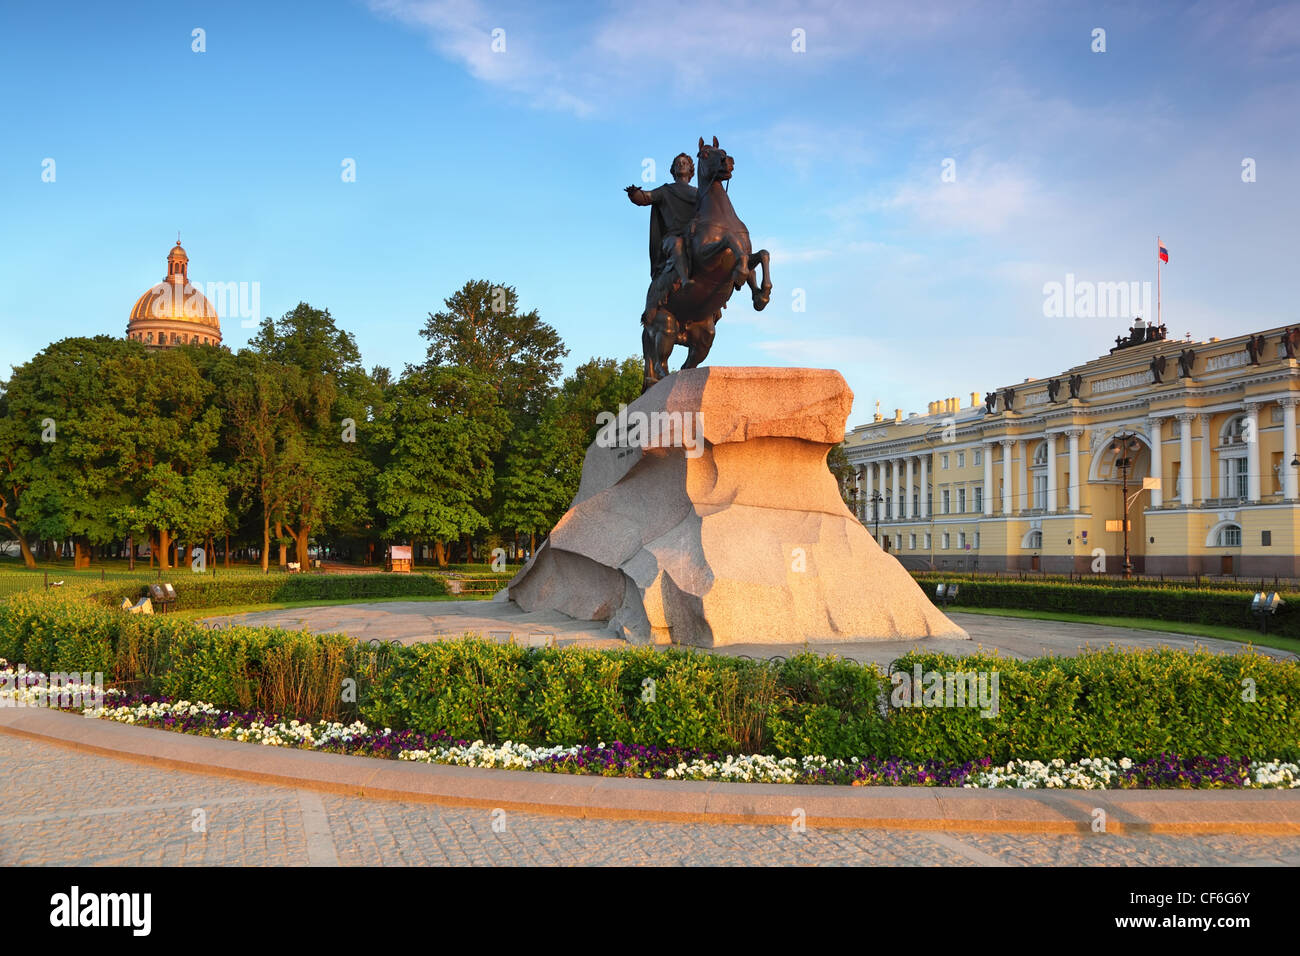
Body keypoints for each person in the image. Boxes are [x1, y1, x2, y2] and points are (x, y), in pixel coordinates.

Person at [625, 152, 697, 301]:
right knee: (677, 244)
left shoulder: (699, 193)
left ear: (691, 169)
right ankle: (684, 280)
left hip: (694, 236)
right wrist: (635, 194)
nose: (681, 164)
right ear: (673, 170)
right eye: (678, 162)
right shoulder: (666, 191)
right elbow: (646, 197)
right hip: (673, 238)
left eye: (685, 162)